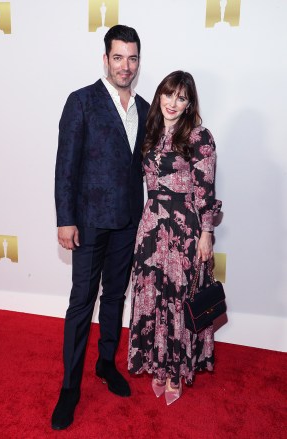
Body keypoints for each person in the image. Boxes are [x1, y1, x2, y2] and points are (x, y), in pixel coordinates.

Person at [52, 25, 150, 430]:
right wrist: (65, 218)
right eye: (118, 57)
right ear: (105, 58)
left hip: (128, 220)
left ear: (138, 62)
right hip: (89, 222)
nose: (125, 66)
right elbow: (65, 165)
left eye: (132, 58)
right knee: (81, 303)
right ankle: (70, 388)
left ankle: (106, 362)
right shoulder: (82, 102)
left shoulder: (145, 107)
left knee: (115, 297)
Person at [128, 71, 222, 405]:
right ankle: (159, 366)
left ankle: (177, 371)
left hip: (185, 231)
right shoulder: (148, 132)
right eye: (169, 94)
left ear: (189, 103)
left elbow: (206, 189)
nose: (173, 102)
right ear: (159, 96)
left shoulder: (200, 137)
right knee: (154, 299)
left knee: (180, 300)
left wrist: (207, 233)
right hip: (151, 226)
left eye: (181, 97)